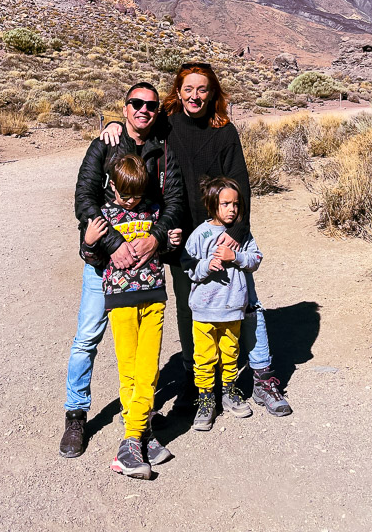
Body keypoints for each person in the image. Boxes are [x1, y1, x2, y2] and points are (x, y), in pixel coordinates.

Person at [103, 63, 292, 417]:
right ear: (178, 91)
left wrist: (234, 237)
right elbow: (135, 129)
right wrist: (115, 123)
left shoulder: (225, 132)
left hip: (224, 233)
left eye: (202, 89)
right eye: (188, 89)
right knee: (190, 306)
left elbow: (241, 186)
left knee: (246, 303)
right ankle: (197, 378)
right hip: (179, 236)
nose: (195, 96)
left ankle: (258, 377)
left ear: (213, 93)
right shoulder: (167, 124)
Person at [59, 82, 183, 459]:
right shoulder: (105, 144)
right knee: (87, 337)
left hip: (144, 267)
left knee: (138, 354)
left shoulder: (165, 150)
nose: (143, 110)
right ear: (125, 107)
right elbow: (85, 198)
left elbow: (173, 201)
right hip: (105, 265)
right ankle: (76, 414)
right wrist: (113, 247)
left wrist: (155, 240)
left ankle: (139, 423)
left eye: (151, 105)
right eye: (136, 104)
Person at [81, 154, 181, 477]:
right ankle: (136, 439)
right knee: (129, 370)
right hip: (121, 302)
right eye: (124, 195)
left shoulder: (153, 213)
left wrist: (168, 240)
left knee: (148, 368)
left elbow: (161, 248)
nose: (130, 201)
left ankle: (135, 437)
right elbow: (93, 257)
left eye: (136, 195)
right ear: (112, 186)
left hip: (153, 299)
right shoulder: (104, 217)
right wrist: (89, 242)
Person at [181, 177, 262, 431]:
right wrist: (207, 266)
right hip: (204, 311)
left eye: (236, 204)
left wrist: (234, 256)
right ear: (211, 204)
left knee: (231, 353)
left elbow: (256, 259)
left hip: (233, 308)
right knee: (204, 357)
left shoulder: (241, 235)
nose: (232, 209)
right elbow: (189, 266)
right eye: (225, 203)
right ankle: (206, 399)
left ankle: (229, 391)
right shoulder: (200, 235)